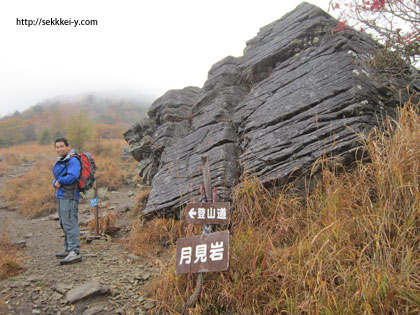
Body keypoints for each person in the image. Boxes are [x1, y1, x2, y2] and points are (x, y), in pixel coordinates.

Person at [52, 137, 82, 265]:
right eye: (57, 147)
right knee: (64, 223)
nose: (59, 149)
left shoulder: (73, 160)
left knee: (70, 222)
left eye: (61, 146)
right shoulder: (63, 160)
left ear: (68, 146)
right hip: (62, 195)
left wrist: (59, 182)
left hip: (70, 195)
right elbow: (57, 177)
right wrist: (55, 182)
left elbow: (73, 176)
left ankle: (75, 252)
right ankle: (68, 248)